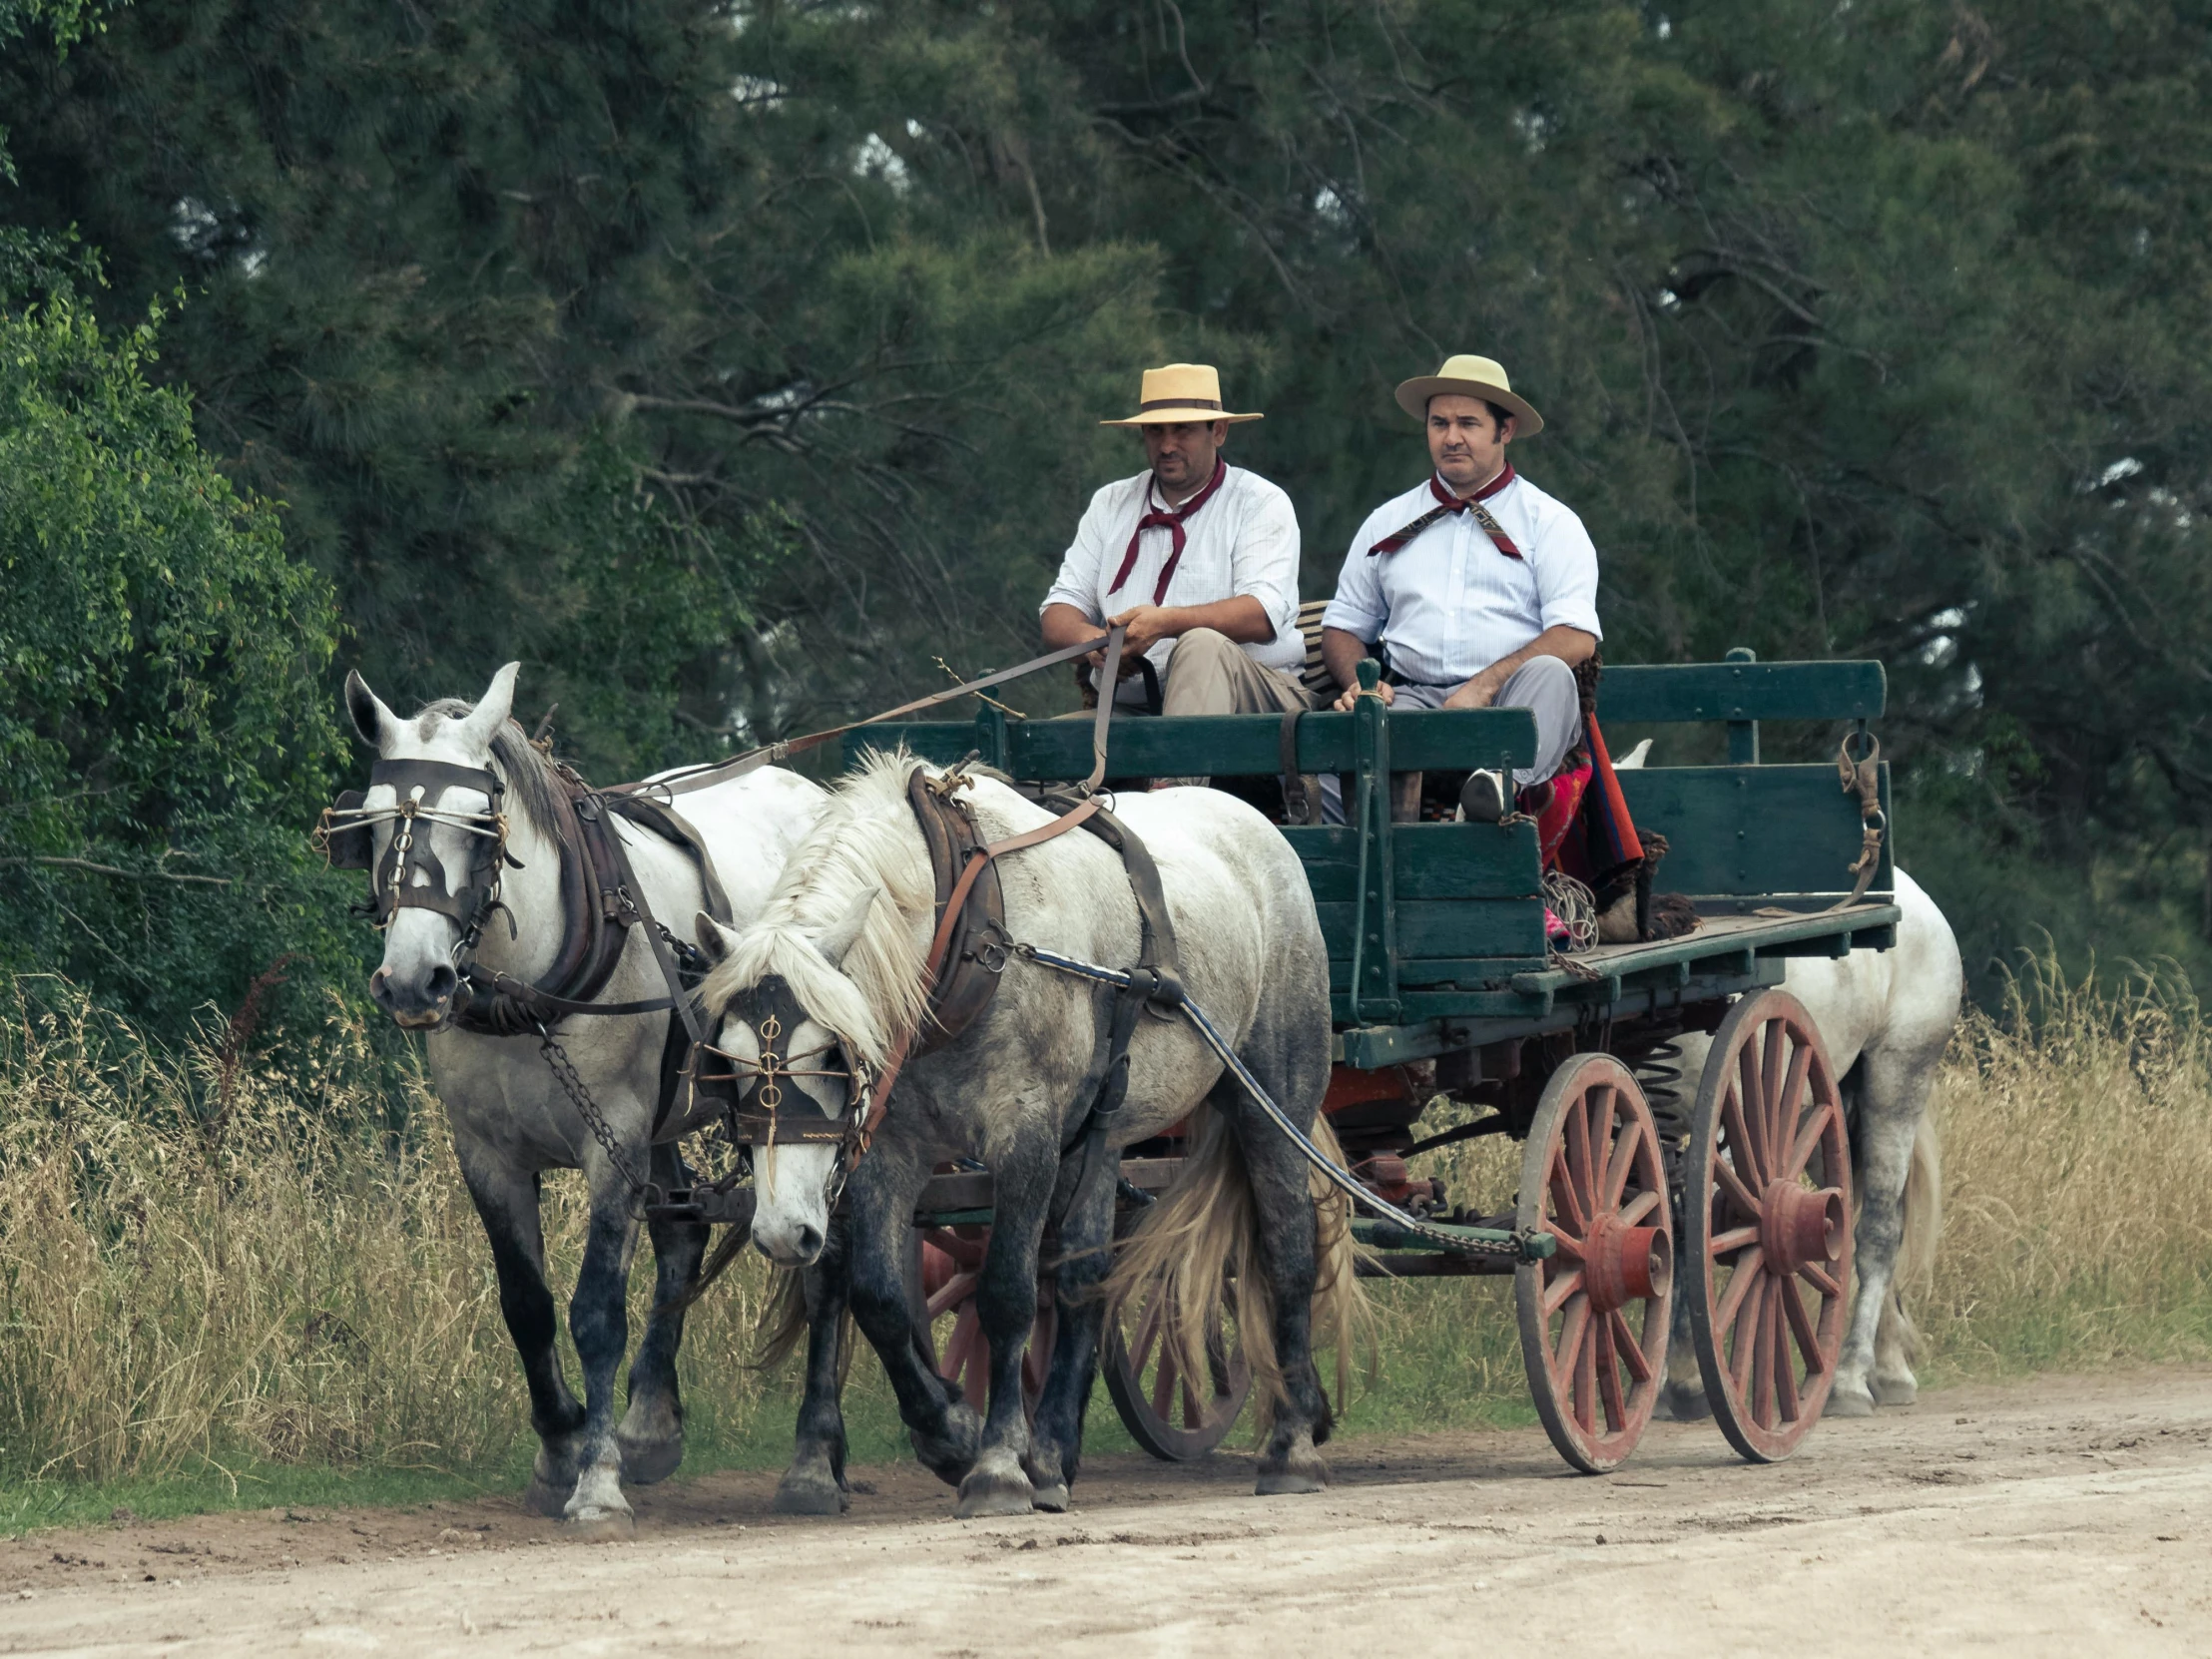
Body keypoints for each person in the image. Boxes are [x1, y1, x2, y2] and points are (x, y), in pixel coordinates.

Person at [1320, 353, 1599, 821]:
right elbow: (1343, 627)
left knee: (1552, 674)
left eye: (1468, 423)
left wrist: (1484, 686)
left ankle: (1494, 788)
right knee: (1327, 765)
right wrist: (1361, 686)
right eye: (1439, 423)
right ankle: (1365, 857)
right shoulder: (1386, 522)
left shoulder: (1550, 522)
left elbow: (1576, 636)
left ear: (1504, 430)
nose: (1451, 438)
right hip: (1410, 701)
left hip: (1510, 699)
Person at [1041, 363, 1311, 719]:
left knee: (1201, 644)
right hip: (1137, 708)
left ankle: (1177, 775)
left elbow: (1262, 615)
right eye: (1155, 430)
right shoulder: (1111, 502)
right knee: (1042, 749)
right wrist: (1096, 644)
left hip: (1257, 704)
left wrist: (1165, 623)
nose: (1167, 445)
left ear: (1219, 431)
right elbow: (1058, 611)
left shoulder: (1260, 501)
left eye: (1182, 429)